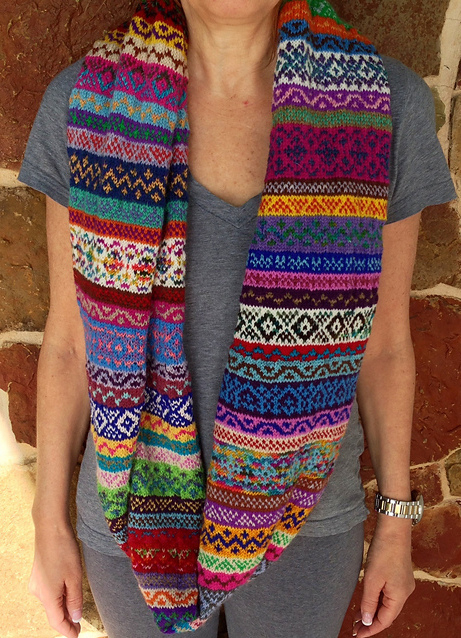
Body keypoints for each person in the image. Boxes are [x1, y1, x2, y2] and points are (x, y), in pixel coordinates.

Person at [19, 1, 456, 638]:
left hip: (304, 521)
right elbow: (69, 343)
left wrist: (396, 523)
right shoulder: (85, 106)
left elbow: (385, 347)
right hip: (134, 517)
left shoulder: (383, 107)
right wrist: (48, 523)